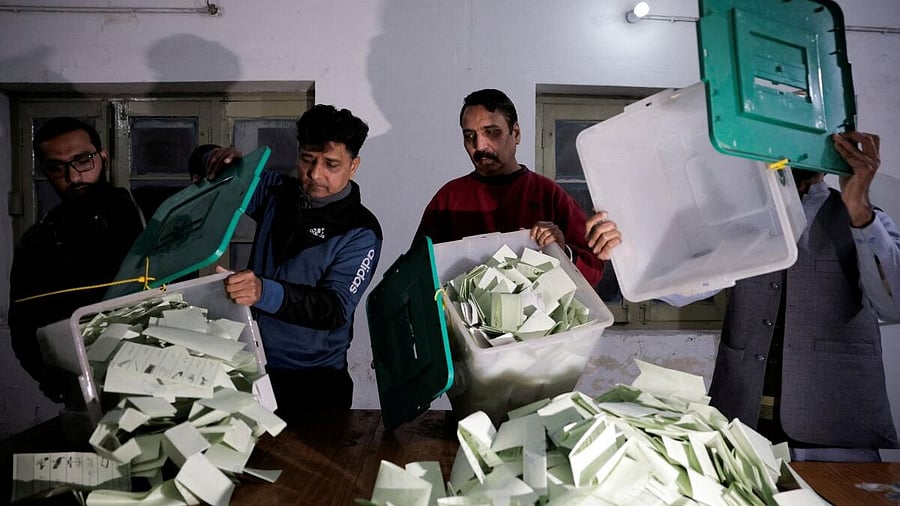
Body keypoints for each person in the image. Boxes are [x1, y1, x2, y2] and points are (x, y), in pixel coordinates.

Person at [586, 131, 900, 461]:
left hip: (836, 428)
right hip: (743, 424)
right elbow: (683, 290)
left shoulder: (867, 220)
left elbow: (893, 305)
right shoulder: (740, 223)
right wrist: (626, 250)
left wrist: (859, 210)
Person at [199, 105, 382, 421]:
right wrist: (215, 157)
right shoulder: (276, 191)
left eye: (331, 164)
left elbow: (334, 308)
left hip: (315, 382)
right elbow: (221, 176)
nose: (315, 174)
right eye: (307, 160)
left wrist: (262, 292)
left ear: (354, 166)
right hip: (250, 365)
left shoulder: (361, 231)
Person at [8, 117, 146, 402]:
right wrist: (52, 378)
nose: (73, 177)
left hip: (165, 374)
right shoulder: (38, 242)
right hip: (87, 390)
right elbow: (23, 324)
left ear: (103, 157)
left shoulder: (147, 214)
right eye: (57, 167)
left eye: (83, 160)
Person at [414, 88, 604, 287]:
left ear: (516, 133)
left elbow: (593, 271)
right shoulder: (447, 200)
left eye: (491, 132)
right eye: (469, 136)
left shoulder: (548, 195)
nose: (479, 146)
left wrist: (562, 251)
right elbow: (416, 274)